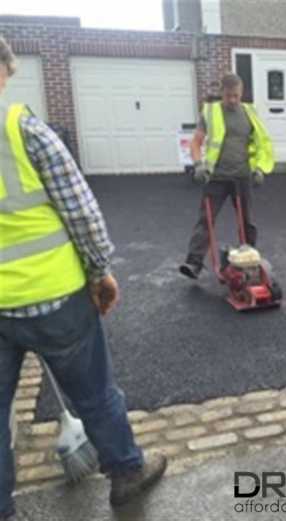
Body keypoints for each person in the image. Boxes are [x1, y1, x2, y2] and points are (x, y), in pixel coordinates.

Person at [0, 36, 166, 520]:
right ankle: (126, 474)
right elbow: (82, 215)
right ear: (4, 71)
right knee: (95, 394)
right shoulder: (24, 132)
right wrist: (100, 271)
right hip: (53, 299)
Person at [179, 73, 275, 279]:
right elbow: (196, 142)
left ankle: (248, 261)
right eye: (228, 95)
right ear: (222, 92)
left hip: (242, 176)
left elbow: (262, 143)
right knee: (206, 219)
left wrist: (260, 169)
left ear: (241, 94)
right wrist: (198, 165)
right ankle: (193, 263)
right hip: (216, 177)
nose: (232, 100)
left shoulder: (250, 112)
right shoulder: (211, 112)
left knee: (247, 221)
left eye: (236, 96)